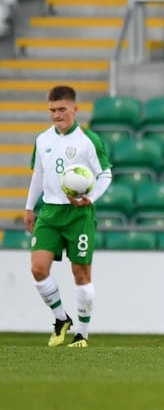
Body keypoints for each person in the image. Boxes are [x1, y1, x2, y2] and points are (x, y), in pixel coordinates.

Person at [25, 85, 113, 348]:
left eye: (62, 109)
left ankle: (82, 335)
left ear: (75, 109)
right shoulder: (42, 140)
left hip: (79, 214)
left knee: (81, 274)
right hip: (50, 212)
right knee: (38, 268)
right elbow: (38, 174)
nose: (56, 115)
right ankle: (61, 319)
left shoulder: (89, 141)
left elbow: (105, 175)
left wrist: (90, 198)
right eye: (52, 110)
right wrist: (30, 207)